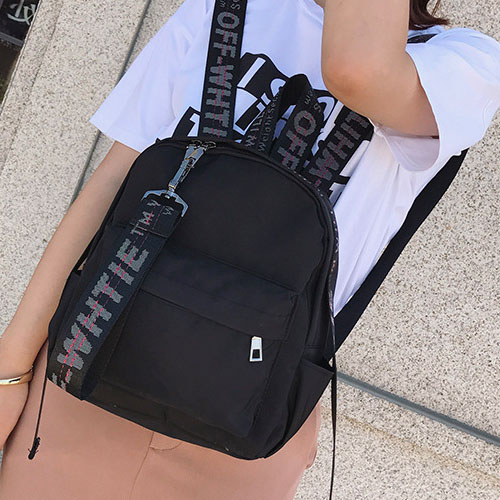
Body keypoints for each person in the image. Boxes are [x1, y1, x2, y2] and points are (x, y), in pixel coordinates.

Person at [0, 0, 499, 498]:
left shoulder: (458, 66)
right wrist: (9, 374)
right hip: (85, 380)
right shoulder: (223, 8)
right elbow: (110, 192)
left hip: (244, 432)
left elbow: (359, 71)